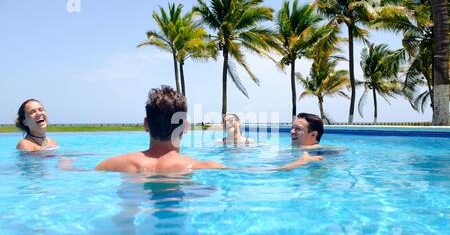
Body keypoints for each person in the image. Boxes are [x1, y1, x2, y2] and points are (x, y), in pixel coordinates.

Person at [94, 86, 322, 174]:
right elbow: (258, 171)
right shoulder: (199, 165)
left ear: (146, 124)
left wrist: (66, 162)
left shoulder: (110, 164)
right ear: (185, 125)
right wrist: (297, 163)